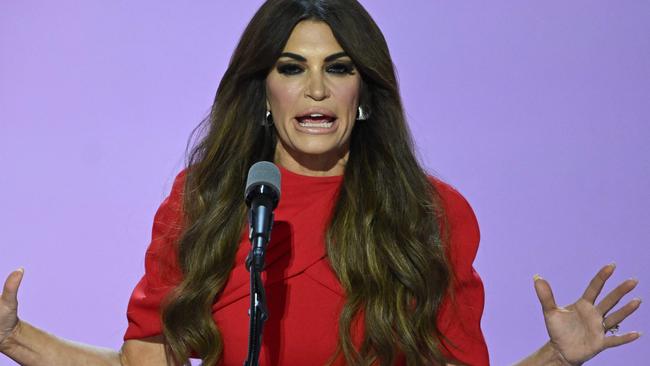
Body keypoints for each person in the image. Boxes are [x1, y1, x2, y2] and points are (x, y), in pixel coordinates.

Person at [0, 0, 642, 365]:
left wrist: (557, 357)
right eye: (292, 68)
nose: (315, 89)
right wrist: (12, 338)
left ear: (364, 92)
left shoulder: (430, 215)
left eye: (337, 68)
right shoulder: (207, 201)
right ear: (263, 92)